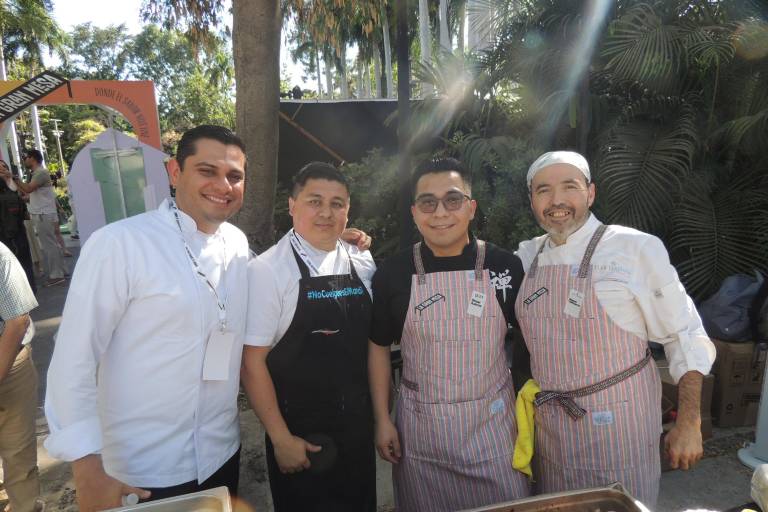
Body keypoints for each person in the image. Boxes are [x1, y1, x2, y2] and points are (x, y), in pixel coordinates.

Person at [44, 125, 252, 511]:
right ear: (175, 172)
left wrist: (333, 245)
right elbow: (73, 360)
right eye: (207, 171)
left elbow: (273, 283)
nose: (223, 185)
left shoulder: (237, 244)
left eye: (234, 176)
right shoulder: (119, 244)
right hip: (143, 468)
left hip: (222, 452)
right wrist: (87, 470)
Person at [514, 151, 716, 507]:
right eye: (543, 190)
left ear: (590, 193)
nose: (557, 200)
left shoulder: (633, 248)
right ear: (531, 200)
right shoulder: (526, 258)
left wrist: (689, 422)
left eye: (570, 187)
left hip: (621, 427)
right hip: (553, 432)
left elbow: (683, 333)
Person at [369, 158, 530, 511]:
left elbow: (531, 341)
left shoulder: (504, 267)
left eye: (453, 200)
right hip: (421, 437)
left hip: (494, 431)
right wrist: (382, 419)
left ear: (471, 208)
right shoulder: (393, 274)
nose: (440, 212)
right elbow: (378, 347)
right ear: (414, 212)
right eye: (428, 202)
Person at [241, 162, 377, 511]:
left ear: (348, 210)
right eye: (315, 201)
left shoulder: (362, 260)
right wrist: (280, 438)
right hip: (300, 436)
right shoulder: (267, 271)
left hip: (357, 428)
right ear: (292, 205)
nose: (326, 213)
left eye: (337, 204)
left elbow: (373, 343)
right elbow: (252, 363)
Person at [0, 241, 42, 512]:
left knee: (18, 454)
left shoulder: (0, 256)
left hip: (8, 362)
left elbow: (17, 320)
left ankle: (24, 507)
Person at [0, 150, 66, 286]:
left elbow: (29, 188)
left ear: (33, 158)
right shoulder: (37, 173)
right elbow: (30, 193)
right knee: (51, 244)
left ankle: (56, 275)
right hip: (42, 213)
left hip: (42, 214)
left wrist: (13, 178)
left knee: (49, 245)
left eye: (26, 157)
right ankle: (61, 271)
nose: (24, 160)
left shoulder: (41, 173)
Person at [0, 161, 36, 291]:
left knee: (23, 264)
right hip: (7, 235)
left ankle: (28, 290)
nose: (2, 169)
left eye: (4, 166)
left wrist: (11, 179)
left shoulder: (14, 185)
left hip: (16, 233)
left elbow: (25, 197)